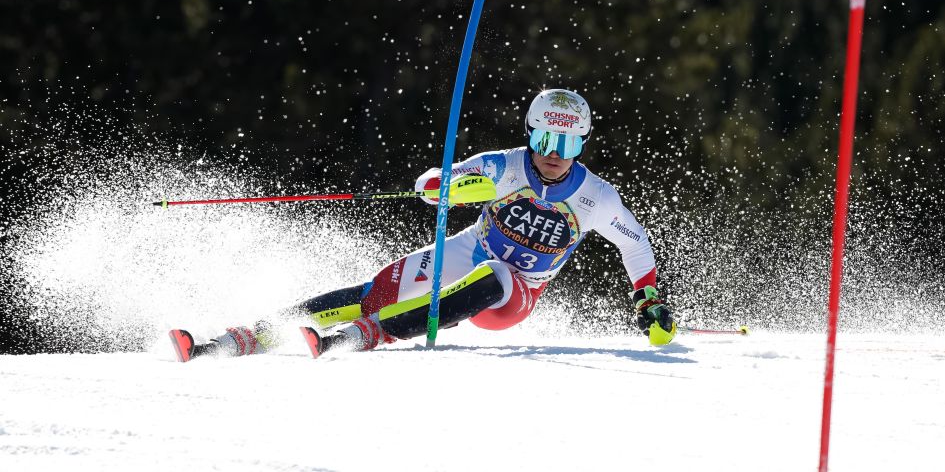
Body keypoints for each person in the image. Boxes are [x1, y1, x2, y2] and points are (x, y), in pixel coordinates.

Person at [168, 88, 676, 362]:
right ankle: (245, 336)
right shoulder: (505, 165)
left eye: (565, 147)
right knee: (380, 286)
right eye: (545, 141)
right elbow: (443, 178)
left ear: (582, 146)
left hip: (515, 294)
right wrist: (438, 185)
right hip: (472, 249)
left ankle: (373, 335)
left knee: (496, 277)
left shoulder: (596, 196)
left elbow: (636, 244)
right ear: (530, 134)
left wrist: (648, 298)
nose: (552, 157)